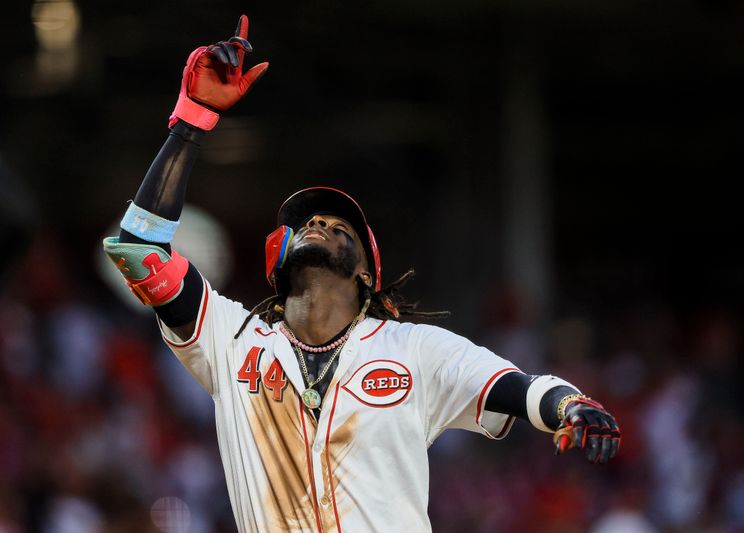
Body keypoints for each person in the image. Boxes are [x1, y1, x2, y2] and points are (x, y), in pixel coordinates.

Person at [103, 15, 621, 533]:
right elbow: (137, 246)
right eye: (309, 221)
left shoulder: (413, 349)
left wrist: (569, 405)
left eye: (340, 225)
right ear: (277, 259)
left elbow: (515, 386)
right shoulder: (231, 340)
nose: (321, 223)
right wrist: (192, 120)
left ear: (367, 277)